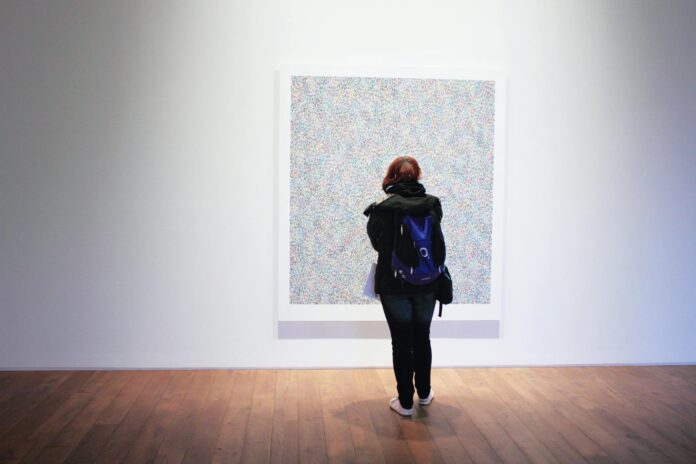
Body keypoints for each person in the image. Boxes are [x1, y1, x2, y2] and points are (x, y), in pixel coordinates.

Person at [363, 155, 444, 416]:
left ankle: (405, 403)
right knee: (422, 337)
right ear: (418, 175)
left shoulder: (381, 209)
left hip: (394, 283)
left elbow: (377, 244)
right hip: (427, 283)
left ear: (391, 176)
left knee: (401, 342)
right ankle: (425, 393)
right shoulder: (433, 205)